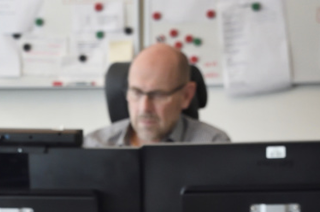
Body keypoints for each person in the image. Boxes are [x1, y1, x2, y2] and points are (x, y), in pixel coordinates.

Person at [84, 43, 230, 147]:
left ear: (186, 95)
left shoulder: (213, 145)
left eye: (158, 95)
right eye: (136, 92)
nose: (144, 108)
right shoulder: (93, 146)